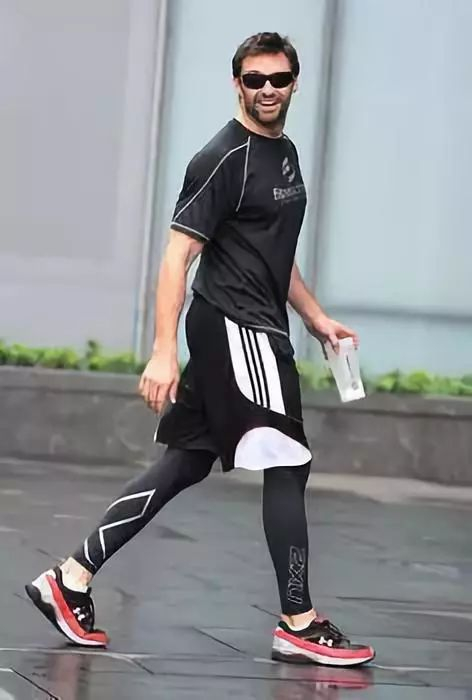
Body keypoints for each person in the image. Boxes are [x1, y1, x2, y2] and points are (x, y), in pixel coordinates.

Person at [26, 32, 375, 667]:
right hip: (237, 328)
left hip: (255, 322)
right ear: (236, 83)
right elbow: (176, 256)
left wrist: (317, 317)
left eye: (277, 78)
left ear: (295, 82)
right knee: (289, 462)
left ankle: (69, 579)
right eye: (253, 79)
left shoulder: (284, 152)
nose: (266, 89)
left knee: (186, 462)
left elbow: (272, 253)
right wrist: (163, 350)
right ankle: (298, 621)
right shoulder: (222, 157)